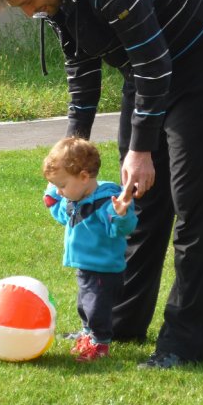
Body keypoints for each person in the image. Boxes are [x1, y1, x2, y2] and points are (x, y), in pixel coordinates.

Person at [0, 0, 203, 369]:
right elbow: (82, 68)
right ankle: (120, 321)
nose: (28, 12)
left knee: (195, 208)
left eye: (29, 1)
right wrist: (72, 150)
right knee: (135, 199)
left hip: (198, 68)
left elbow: (155, 61)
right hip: (146, 73)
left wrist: (141, 149)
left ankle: (184, 344)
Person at [42, 136, 137, 362]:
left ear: (84, 177)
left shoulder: (106, 202)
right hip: (86, 266)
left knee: (96, 309)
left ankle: (100, 342)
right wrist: (52, 199)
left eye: (62, 186)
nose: (60, 191)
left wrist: (121, 214)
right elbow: (65, 217)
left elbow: (121, 229)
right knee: (84, 305)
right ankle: (88, 333)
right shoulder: (77, 197)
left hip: (104, 270)